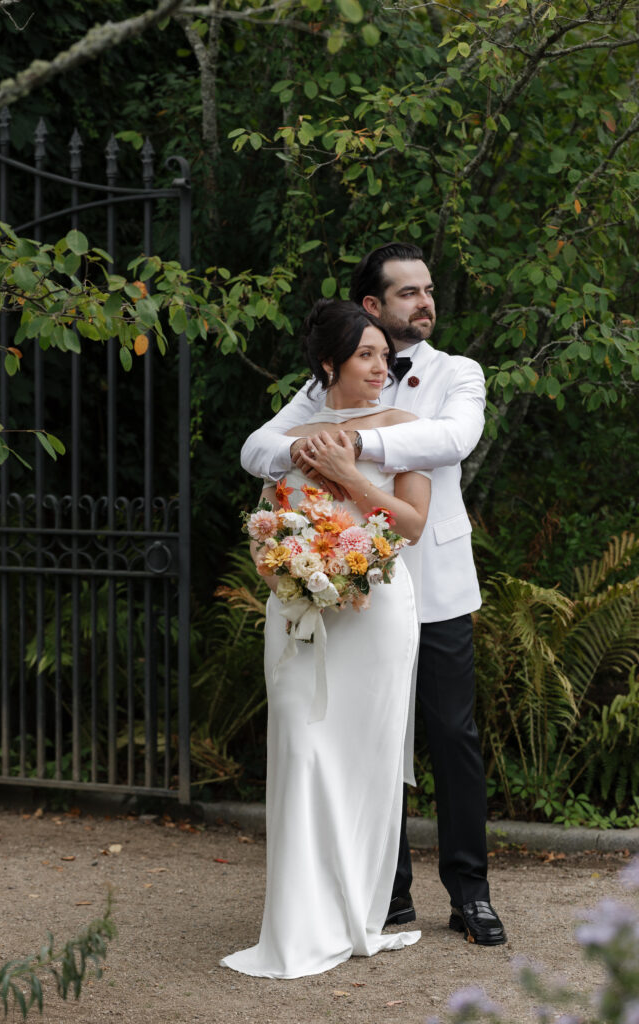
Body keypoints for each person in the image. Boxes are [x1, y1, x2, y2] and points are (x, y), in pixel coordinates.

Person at [240, 243, 507, 947]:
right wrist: (323, 442)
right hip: (345, 596)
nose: (424, 302)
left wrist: (353, 449)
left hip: (436, 585)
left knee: (450, 737)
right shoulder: (327, 382)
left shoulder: (456, 372)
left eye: (426, 291)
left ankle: (470, 893)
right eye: (407, 294)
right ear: (372, 308)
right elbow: (259, 452)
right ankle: (382, 893)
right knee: (365, 735)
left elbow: (453, 439)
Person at [221, 300, 430, 979]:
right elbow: (274, 516)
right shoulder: (291, 437)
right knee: (302, 748)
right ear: (328, 364)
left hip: (376, 612)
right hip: (299, 609)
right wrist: (293, 565)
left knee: (362, 761)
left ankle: (352, 915)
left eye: (384, 357)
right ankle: (294, 923)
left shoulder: (405, 428)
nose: (380, 367)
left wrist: (345, 477)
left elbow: (410, 524)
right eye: (366, 355)